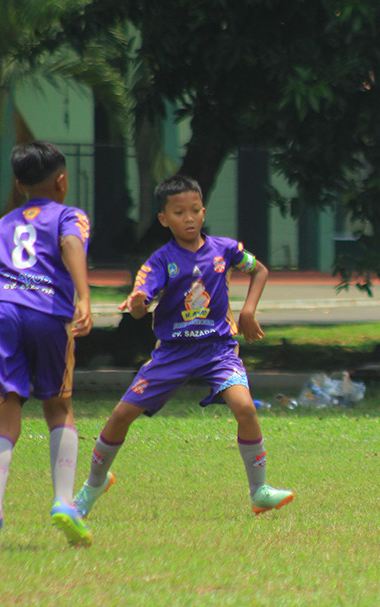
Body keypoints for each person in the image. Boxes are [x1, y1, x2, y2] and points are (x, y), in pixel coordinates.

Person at [72, 174, 293, 519]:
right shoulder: (160, 261)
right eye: (179, 212)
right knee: (121, 416)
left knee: (245, 408)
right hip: (172, 354)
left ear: (203, 211)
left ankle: (259, 491)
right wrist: (138, 303)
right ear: (164, 219)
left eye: (195, 210)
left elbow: (259, 270)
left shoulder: (226, 249)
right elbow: (141, 301)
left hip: (218, 351)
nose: (189, 218)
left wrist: (248, 312)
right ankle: (94, 484)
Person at [0, 141, 94, 549]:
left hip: (3, 312)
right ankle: (63, 502)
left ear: (18, 184)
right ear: (62, 181)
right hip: (48, 312)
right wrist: (83, 296)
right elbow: (71, 243)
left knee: (6, 414)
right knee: (59, 406)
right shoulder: (70, 216)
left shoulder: (1, 225)